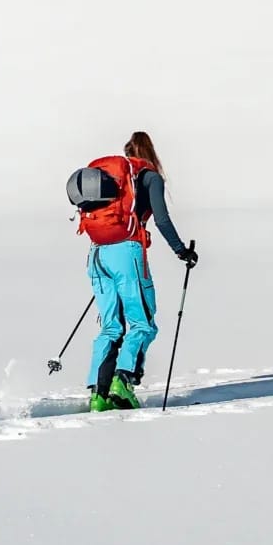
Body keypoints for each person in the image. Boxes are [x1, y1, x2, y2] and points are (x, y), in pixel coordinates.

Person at [73, 130, 196, 411]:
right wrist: (181, 251)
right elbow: (162, 220)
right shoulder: (151, 177)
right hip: (127, 253)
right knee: (142, 322)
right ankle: (123, 382)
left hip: (97, 253)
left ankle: (98, 393)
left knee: (110, 326)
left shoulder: (112, 181)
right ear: (150, 154)